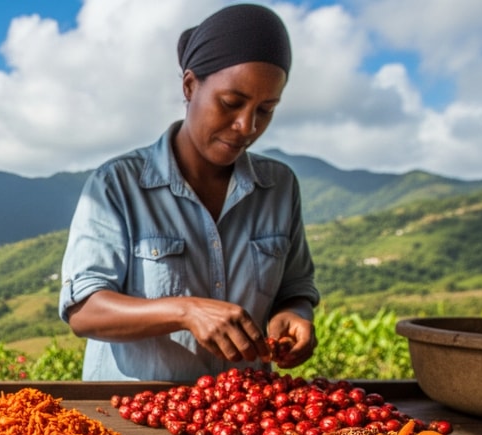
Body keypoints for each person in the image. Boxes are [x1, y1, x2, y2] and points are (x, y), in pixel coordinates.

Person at [59, 3, 318, 382]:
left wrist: (296, 314)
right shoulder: (117, 184)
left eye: (266, 110)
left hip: (240, 416)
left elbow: (296, 288)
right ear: (189, 85)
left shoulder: (278, 187)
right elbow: (84, 311)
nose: (246, 125)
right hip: (131, 417)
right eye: (231, 103)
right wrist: (184, 311)